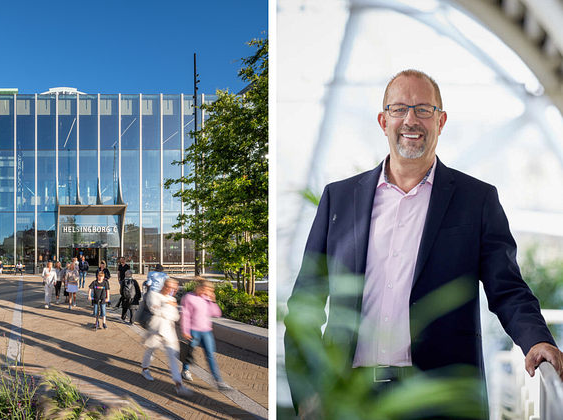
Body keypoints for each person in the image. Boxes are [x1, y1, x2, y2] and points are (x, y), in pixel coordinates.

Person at [283, 69, 563, 419]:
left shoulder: (476, 200)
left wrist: (536, 339)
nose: (410, 120)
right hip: (348, 398)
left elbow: (507, 289)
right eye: (399, 109)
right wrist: (308, 390)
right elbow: (305, 304)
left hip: (440, 399)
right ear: (383, 120)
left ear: (441, 120)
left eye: (423, 109)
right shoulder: (339, 199)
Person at [140, 278, 193, 397]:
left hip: (169, 332)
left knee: (173, 358)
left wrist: (164, 309)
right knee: (150, 352)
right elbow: (154, 310)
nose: (172, 290)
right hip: (156, 330)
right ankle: (145, 369)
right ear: (164, 286)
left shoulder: (172, 299)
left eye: (174, 288)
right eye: (170, 287)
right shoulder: (153, 295)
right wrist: (167, 306)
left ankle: (179, 384)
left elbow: (175, 316)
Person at [179, 280, 229, 389]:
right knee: (188, 352)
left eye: (210, 291)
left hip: (206, 331)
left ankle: (219, 381)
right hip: (193, 331)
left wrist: (212, 301)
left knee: (211, 355)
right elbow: (185, 316)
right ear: (200, 287)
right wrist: (185, 331)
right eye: (207, 290)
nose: (208, 292)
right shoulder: (188, 298)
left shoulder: (207, 299)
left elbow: (217, 314)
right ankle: (185, 370)